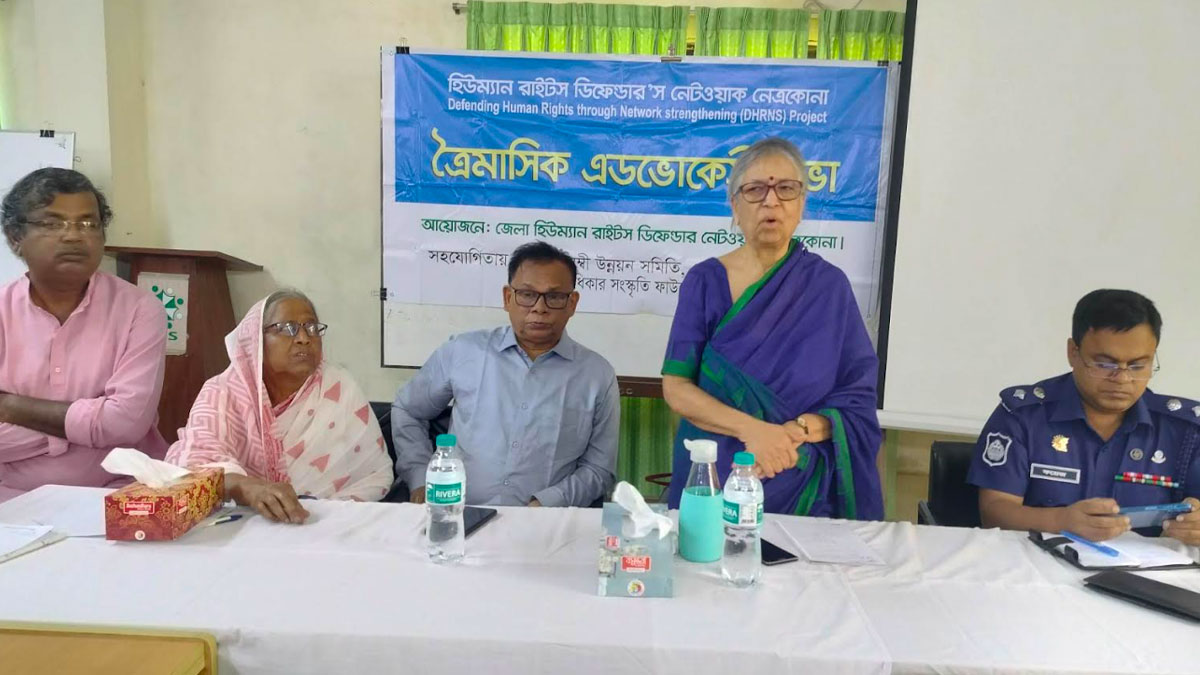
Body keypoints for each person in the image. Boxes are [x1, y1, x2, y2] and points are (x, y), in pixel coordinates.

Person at [661, 137, 883, 518]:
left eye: (786, 189)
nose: (771, 201)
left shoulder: (829, 287)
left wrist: (796, 432)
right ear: (735, 206)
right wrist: (754, 432)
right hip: (716, 481)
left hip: (802, 478)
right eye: (755, 190)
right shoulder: (704, 282)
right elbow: (677, 387)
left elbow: (856, 395)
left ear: (801, 204)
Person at [393, 241, 619, 508]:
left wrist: (547, 502)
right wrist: (420, 477)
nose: (539, 308)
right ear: (507, 298)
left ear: (572, 303)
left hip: (545, 522)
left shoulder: (596, 375)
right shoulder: (462, 352)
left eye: (555, 297)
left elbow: (599, 469)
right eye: (527, 294)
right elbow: (408, 410)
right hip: (458, 514)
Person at [969, 289, 1200, 544]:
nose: (1122, 379)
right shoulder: (1023, 416)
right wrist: (1060, 521)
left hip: (1145, 568)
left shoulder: (1186, 431)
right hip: (1037, 563)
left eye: (1137, 366)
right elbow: (994, 512)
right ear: (1073, 352)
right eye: (1105, 364)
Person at [0, 168, 168, 502]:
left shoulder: (140, 309)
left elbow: (126, 425)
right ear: (16, 236)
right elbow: (112, 427)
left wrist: (10, 406)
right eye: (53, 223)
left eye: (89, 223)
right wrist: (86, 429)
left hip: (120, 493)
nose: (74, 236)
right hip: (10, 499)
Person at [166, 290, 392, 522]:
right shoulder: (223, 391)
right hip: (238, 522)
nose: (304, 338)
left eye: (311, 327)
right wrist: (246, 487)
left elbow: (372, 474)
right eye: (287, 328)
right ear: (255, 340)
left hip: (324, 520)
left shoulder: (338, 387)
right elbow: (193, 467)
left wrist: (319, 515)